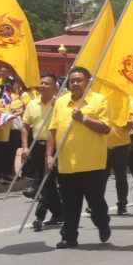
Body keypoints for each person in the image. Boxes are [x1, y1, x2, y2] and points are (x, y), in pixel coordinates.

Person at [46, 67, 111, 249]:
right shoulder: (60, 102)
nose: (75, 83)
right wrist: (49, 156)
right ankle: (69, 236)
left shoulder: (99, 100)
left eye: (79, 80)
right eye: (72, 80)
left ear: (88, 82)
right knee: (69, 203)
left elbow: (106, 128)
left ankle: (102, 221)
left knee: (96, 202)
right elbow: (53, 130)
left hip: (92, 163)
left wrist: (84, 119)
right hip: (67, 163)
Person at [23, 73, 63, 231]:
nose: (43, 86)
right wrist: (25, 147)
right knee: (46, 182)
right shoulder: (32, 104)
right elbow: (25, 126)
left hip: (56, 146)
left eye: (47, 83)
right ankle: (60, 212)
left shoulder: (61, 103)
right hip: (37, 146)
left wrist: (56, 106)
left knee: (46, 182)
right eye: (42, 83)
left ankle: (39, 216)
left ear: (54, 87)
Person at [106, 97, 133, 215]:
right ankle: (96, 206)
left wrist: (123, 120)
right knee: (100, 178)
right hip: (102, 146)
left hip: (121, 146)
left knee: (121, 177)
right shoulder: (100, 99)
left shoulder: (126, 101)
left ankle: (122, 205)